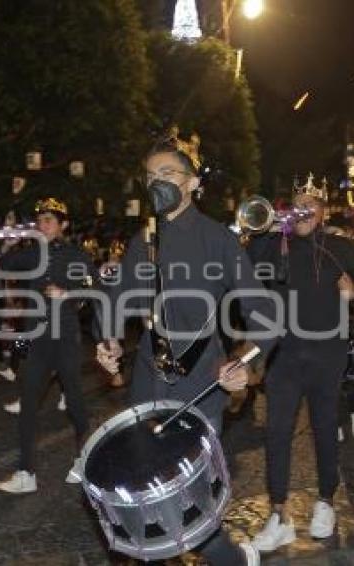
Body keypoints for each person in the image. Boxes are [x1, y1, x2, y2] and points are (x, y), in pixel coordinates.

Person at [96, 134, 275, 565]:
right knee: (145, 498)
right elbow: (116, 299)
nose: (157, 181)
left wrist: (243, 367)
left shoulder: (219, 240)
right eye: (150, 175)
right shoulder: (144, 241)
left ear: (193, 183)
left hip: (200, 387)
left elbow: (265, 316)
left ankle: (232, 560)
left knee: (187, 503)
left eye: (167, 173)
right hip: (146, 385)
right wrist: (110, 342)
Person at [246, 174, 354, 553]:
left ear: (323, 211)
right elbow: (246, 266)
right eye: (297, 203)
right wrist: (268, 229)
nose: (303, 210)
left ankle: (325, 502)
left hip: (327, 353)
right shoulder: (273, 245)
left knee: (323, 429)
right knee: (277, 432)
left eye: (311, 204)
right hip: (284, 356)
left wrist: (353, 294)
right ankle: (279, 513)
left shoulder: (341, 247)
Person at [0, 197, 96, 494]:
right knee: (27, 402)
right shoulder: (30, 254)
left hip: (64, 335)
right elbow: (0, 266)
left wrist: (68, 293)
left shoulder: (77, 255)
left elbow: (96, 287)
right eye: (40, 221)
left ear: (63, 224)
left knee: (75, 401)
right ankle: (26, 472)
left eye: (49, 220)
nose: (43, 225)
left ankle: (84, 458)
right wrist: (11, 240)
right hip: (37, 337)